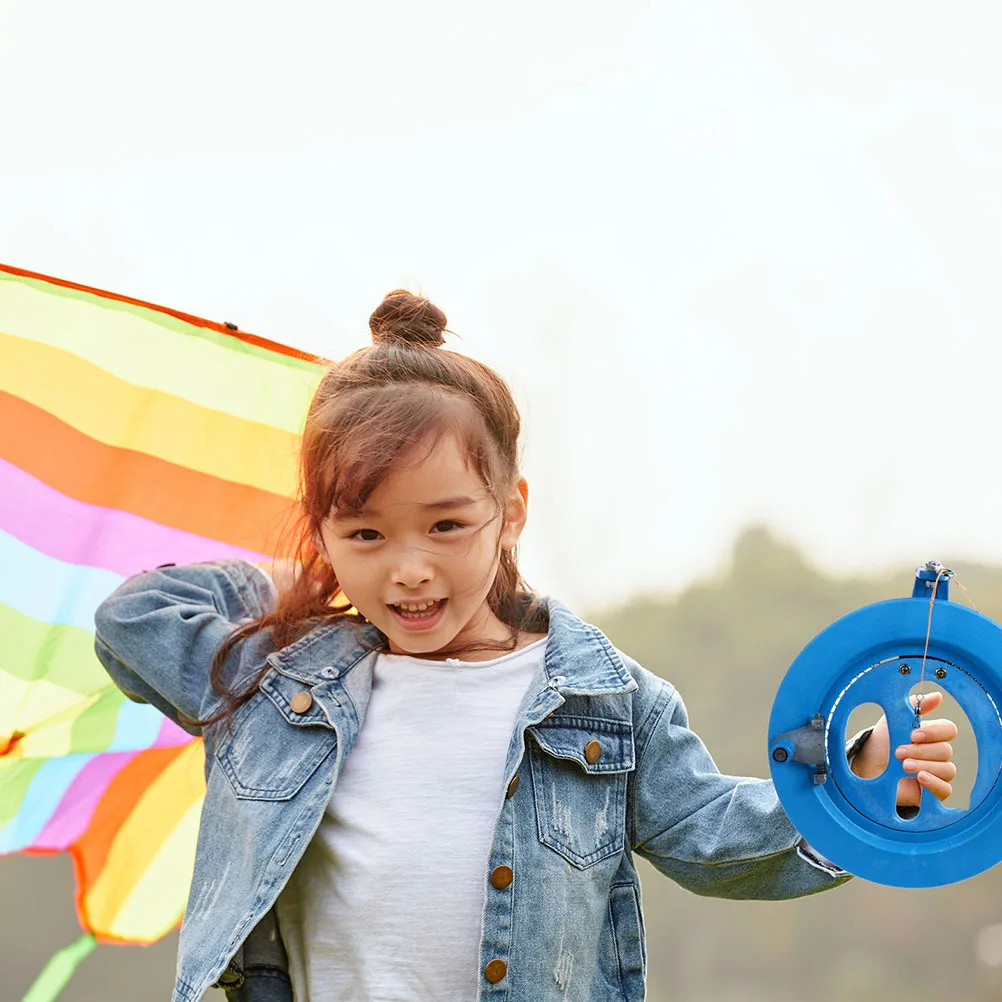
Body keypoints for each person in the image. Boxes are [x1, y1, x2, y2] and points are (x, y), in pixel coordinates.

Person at [93, 291, 958, 1002]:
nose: (409, 571)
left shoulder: (606, 702)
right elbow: (132, 620)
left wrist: (864, 777)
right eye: (365, 534)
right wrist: (298, 597)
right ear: (322, 532)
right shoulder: (274, 682)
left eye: (446, 525)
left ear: (510, 509)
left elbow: (716, 836)